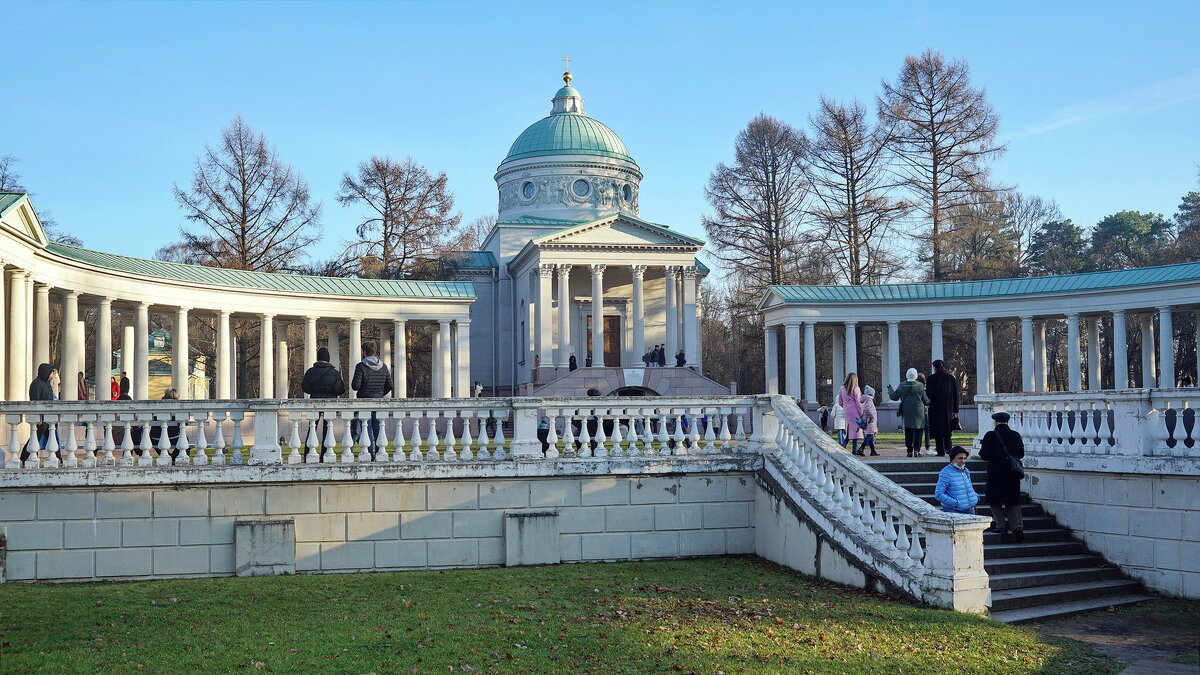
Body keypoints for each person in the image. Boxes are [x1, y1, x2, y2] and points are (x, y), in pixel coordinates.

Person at [978, 412, 1026, 542]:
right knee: (1013, 501)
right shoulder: (1015, 435)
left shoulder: (991, 435)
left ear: (995, 422)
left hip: (996, 472)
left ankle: (1001, 525)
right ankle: (1018, 527)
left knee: (995, 500)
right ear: (1007, 422)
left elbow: (985, 455)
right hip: (1012, 473)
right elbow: (1021, 454)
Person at [301, 346, 345, 461]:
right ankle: (325, 455)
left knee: (312, 429)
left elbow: (305, 388)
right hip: (330, 404)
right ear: (328, 359)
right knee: (328, 430)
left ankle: (308, 455)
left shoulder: (310, 372)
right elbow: (340, 390)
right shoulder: (334, 373)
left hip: (314, 402)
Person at [351, 341, 392, 459]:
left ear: (364, 352)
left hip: (364, 402)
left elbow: (355, 386)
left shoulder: (361, 366)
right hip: (379, 402)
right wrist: (379, 394)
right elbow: (389, 385)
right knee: (378, 429)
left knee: (366, 429)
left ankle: (370, 454)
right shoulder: (383, 366)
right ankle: (380, 453)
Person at [889, 368, 930, 457]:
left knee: (908, 431)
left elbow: (894, 397)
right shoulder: (920, 386)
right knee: (919, 431)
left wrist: (890, 389)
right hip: (919, 411)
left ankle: (909, 451)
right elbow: (926, 400)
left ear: (907, 375)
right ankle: (917, 450)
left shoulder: (901, 386)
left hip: (907, 410)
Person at [926, 360, 959, 457]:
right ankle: (949, 449)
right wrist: (955, 409)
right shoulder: (950, 378)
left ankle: (940, 450)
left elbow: (929, 395)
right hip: (949, 407)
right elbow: (955, 395)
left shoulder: (931, 378)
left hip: (935, 408)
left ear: (935, 368)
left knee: (938, 429)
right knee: (948, 429)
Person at [935, 446, 980, 514]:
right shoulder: (946, 473)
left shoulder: (965, 471)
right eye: (960, 458)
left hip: (970, 509)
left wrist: (975, 498)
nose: (963, 461)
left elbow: (969, 487)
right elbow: (939, 494)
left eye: (965, 458)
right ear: (952, 459)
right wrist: (956, 503)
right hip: (954, 511)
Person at [25, 363, 56, 461]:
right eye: (52, 372)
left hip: (48, 417)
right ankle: (24, 458)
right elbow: (35, 401)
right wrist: (38, 417)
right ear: (47, 372)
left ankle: (59, 459)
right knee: (35, 439)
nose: (53, 375)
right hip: (42, 419)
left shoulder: (46, 383)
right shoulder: (37, 384)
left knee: (53, 438)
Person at [149, 388, 183, 459]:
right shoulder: (177, 408)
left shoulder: (157, 406)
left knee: (156, 442)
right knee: (185, 441)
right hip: (172, 437)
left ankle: (170, 458)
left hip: (155, 438)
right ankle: (172, 458)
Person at [837, 373, 865, 455]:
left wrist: (845, 407)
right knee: (856, 430)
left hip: (846, 409)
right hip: (854, 410)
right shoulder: (856, 388)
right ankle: (854, 449)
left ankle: (844, 444)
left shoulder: (842, 388)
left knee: (849, 428)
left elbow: (840, 401)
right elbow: (858, 402)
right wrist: (861, 412)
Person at [859, 386, 879, 456]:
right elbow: (867, 409)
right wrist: (872, 416)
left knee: (871, 436)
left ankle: (873, 451)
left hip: (867, 419)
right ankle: (861, 449)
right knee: (870, 435)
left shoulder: (865, 399)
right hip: (870, 420)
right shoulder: (869, 400)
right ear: (871, 394)